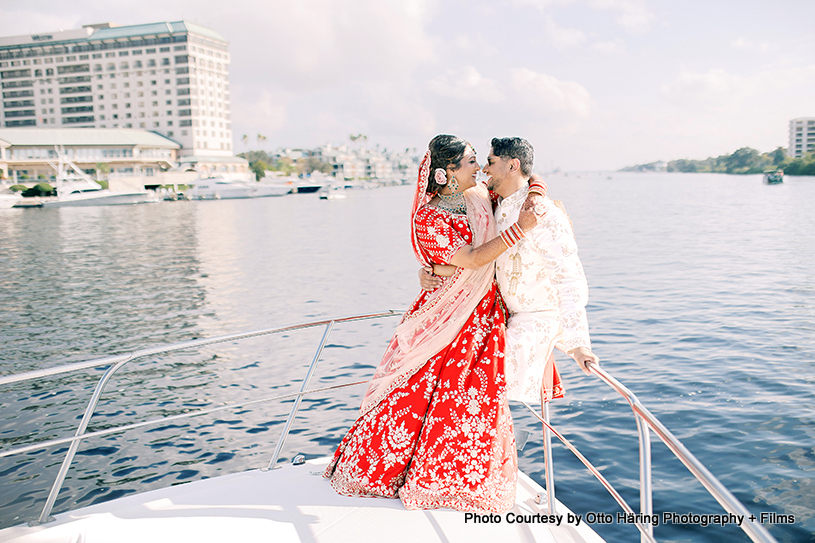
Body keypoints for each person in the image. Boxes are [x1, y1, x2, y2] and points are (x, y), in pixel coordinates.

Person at [323, 135, 546, 512]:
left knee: (475, 397)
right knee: (416, 391)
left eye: (480, 161)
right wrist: (518, 229)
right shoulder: (429, 216)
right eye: (471, 162)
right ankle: (394, 472)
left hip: (483, 314)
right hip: (444, 315)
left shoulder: (480, 197)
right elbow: (474, 259)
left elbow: (527, 175)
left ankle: (465, 479)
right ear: (445, 173)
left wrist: (537, 194)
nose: (479, 168)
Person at [421, 137, 598, 405]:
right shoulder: (494, 202)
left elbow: (570, 279)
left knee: (483, 381)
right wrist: (432, 270)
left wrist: (580, 344)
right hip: (501, 315)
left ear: (512, 165)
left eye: (491, 162)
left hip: (534, 319)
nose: (484, 169)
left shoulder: (541, 214)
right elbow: (474, 258)